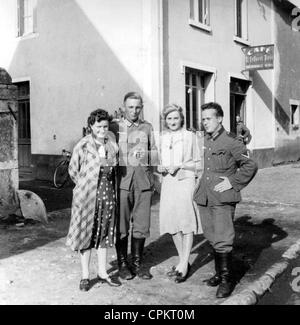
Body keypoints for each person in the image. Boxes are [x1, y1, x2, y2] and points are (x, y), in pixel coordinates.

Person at [193, 102, 257, 298]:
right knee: (211, 236)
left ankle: (226, 280)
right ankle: (220, 273)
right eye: (203, 119)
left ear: (219, 119)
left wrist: (233, 182)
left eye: (209, 118)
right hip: (205, 196)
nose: (205, 122)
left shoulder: (232, 141)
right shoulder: (204, 140)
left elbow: (250, 164)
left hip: (222, 197)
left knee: (223, 239)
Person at [66, 109, 121, 291]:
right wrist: (85, 186)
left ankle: (103, 272)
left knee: (103, 233)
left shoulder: (112, 145)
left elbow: (114, 170)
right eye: (98, 126)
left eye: (105, 126)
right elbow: (73, 171)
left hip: (107, 195)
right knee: (85, 235)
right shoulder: (82, 145)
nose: (102, 129)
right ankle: (85, 276)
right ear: (91, 126)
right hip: (87, 197)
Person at [115, 92, 158, 280]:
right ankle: (123, 264)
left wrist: (147, 155)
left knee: (141, 224)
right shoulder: (114, 127)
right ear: (124, 107)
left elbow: (155, 155)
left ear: (142, 107)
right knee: (121, 225)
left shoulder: (147, 127)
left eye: (137, 107)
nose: (134, 111)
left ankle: (138, 264)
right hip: (122, 183)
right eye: (130, 107)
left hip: (142, 182)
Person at [158, 104, 203, 283]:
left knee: (186, 220)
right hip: (168, 182)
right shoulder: (162, 137)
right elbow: (159, 162)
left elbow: (198, 163)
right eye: (169, 119)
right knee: (173, 221)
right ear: (165, 121)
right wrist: (160, 168)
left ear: (181, 119)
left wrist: (180, 165)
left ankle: (184, 265)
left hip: (185, 180)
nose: (173, 122)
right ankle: (182, 261)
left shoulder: (189, 136)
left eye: (176, 118)